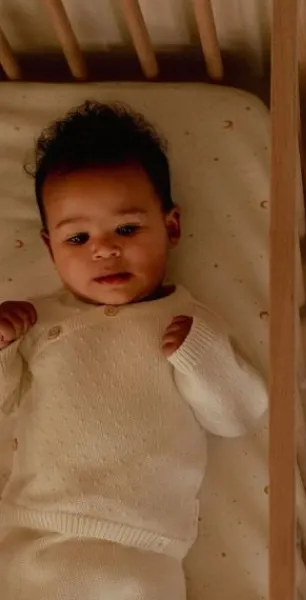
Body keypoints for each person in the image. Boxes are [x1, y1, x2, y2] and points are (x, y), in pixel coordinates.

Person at [0, 100, 267, 599]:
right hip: (38, 535)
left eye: (126, 229)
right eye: (77, 237)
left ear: (171, 227)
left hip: (144, 547)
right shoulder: (37, 321)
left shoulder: (190, 324)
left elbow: (237, 415)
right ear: (49, 247)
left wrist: (200, 355)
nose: (104, 249)